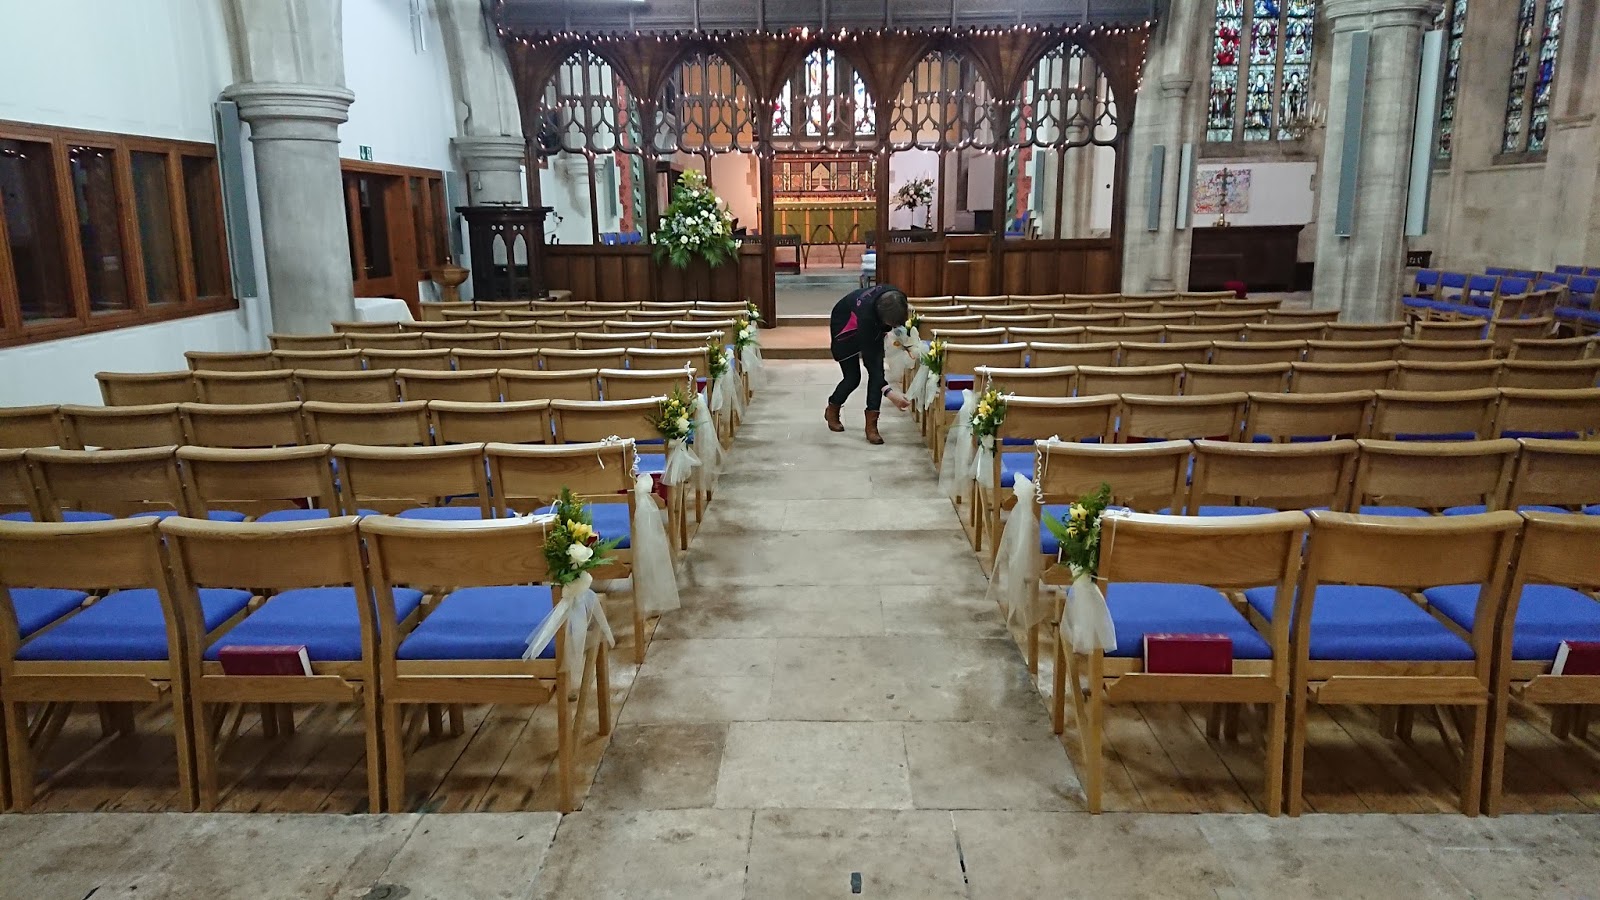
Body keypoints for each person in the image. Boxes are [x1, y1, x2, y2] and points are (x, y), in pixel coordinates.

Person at [824, 284, 911, 444]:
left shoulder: (898, 298)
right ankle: (833, 408)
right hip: (845, 323)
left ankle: (872, 426)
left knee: (877, 375)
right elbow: (872, 366)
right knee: (853, 378)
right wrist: (890, 394)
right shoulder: (866, 318)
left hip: (872, 322)